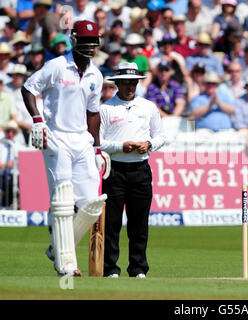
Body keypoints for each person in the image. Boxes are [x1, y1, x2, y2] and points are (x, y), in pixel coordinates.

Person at [21, 20, 110, 277]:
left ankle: (57, 246)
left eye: (94, 43)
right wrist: (38, 121)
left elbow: (93, 113)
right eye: (85, 42)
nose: (90, 48)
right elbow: (28, 88)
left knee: (92, 204)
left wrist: (97, 148)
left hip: (82, 139)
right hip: (56, 136)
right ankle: (66, 264)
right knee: (62, 200)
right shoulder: (57, 65)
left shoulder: (96, 74)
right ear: (74, 40)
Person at [100, 62, 165, 278]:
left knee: (139, 223)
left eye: (134, 82)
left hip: (140, 169)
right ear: (117, 83)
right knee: (112, 223)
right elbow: (97, 142)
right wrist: (120, 146)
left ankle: (138, 268)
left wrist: (149, 144)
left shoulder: (148, 107)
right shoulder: (106, 108)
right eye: (126, 82)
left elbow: (161, 136)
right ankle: (110, 269)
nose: (130, 86)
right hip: (115, 170)